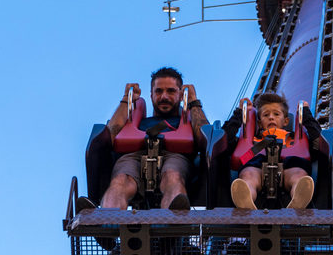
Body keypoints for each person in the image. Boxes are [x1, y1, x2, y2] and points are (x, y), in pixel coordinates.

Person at [96, 66, 208, 210]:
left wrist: (193, 102)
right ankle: (109, 219)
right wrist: (126, 100)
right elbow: (110, 135)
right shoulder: (137, 123)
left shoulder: (186, 123)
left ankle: (172, 225)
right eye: (159, 91)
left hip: (175, 154)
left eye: (171, 91)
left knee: (172, 177)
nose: (164, 97)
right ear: (151, 95)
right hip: (135, 154)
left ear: (181, 95)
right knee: (120, 181)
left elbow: (204, 137)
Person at [222, 92, 319, 209]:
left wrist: (306, 114)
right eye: (266, 115)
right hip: (257, 169)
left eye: (276, 114)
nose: (271, 117)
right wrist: (239, 113)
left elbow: (318, 142)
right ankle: (246, 197)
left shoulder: (295, 140)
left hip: (289, 168)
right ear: (259, 123)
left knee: (298, 174)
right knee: (248, 174)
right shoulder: (252, 140)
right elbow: (224, 141)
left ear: (286, 121)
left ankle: (298, 197)